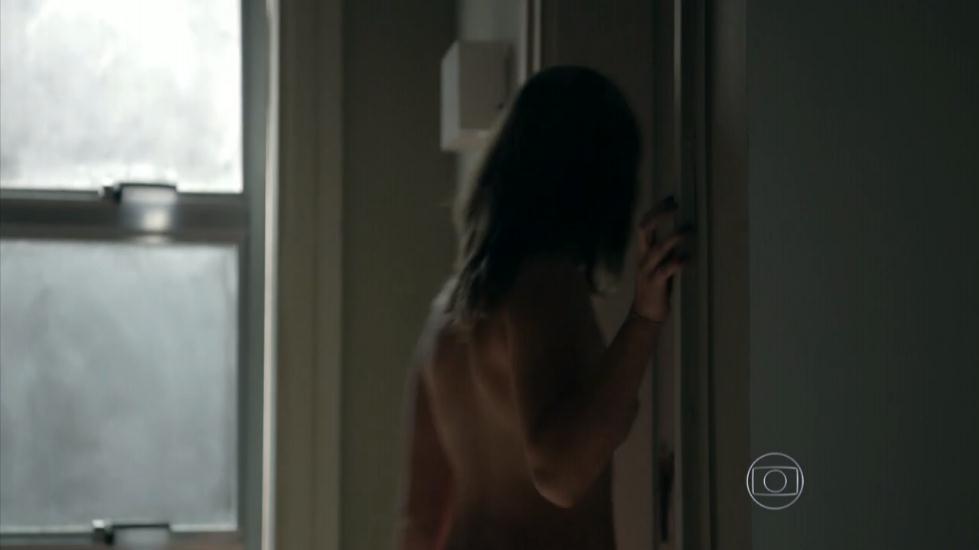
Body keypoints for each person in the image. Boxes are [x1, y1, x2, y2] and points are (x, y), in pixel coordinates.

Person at [395, 66, 687, 550]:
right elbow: (560, 473)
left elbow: (419, 524)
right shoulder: (543, 283)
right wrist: (645, 317)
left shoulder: (444, 318)